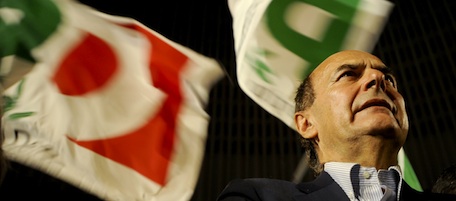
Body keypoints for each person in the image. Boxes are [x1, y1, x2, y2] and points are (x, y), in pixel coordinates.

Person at [217, 50, 456, 201]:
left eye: (389, 79)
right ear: (307, 123)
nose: (377, 79)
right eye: (348, 75)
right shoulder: (256, 196)